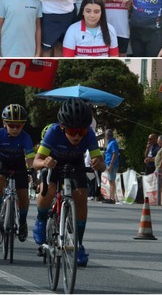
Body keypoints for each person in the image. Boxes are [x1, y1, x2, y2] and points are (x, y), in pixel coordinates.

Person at [33, 98, 105, 267]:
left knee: (81, 195)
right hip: (54, 163)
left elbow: (100, 162)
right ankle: (41, 218)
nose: (78, 136)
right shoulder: (53, 132)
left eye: (82, 131)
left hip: (75, 164)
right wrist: (44, 163)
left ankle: (78, 244)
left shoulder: (89, 135)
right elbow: (36, 161)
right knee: (48, 189)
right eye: (73, 131)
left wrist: (98, 164)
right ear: (63, 127)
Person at [0, 104, 35, 242]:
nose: (15, 129)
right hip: (2, 162)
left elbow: (30, 160)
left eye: (19, 126)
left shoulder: (25, 137)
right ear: (4, 124)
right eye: (11, 125)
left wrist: (32, 173)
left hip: (19, 164)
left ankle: (23, 222)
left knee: (23, 194)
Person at [103, 129, 120, 203]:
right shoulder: (111, 142)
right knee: (111, 181)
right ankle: (112, 197)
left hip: (112, 164)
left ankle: (112, 198)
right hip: (109, 164)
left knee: (111, 181)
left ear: (107, 135)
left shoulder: (113, 143)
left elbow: (115, 153)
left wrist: (110, 165)